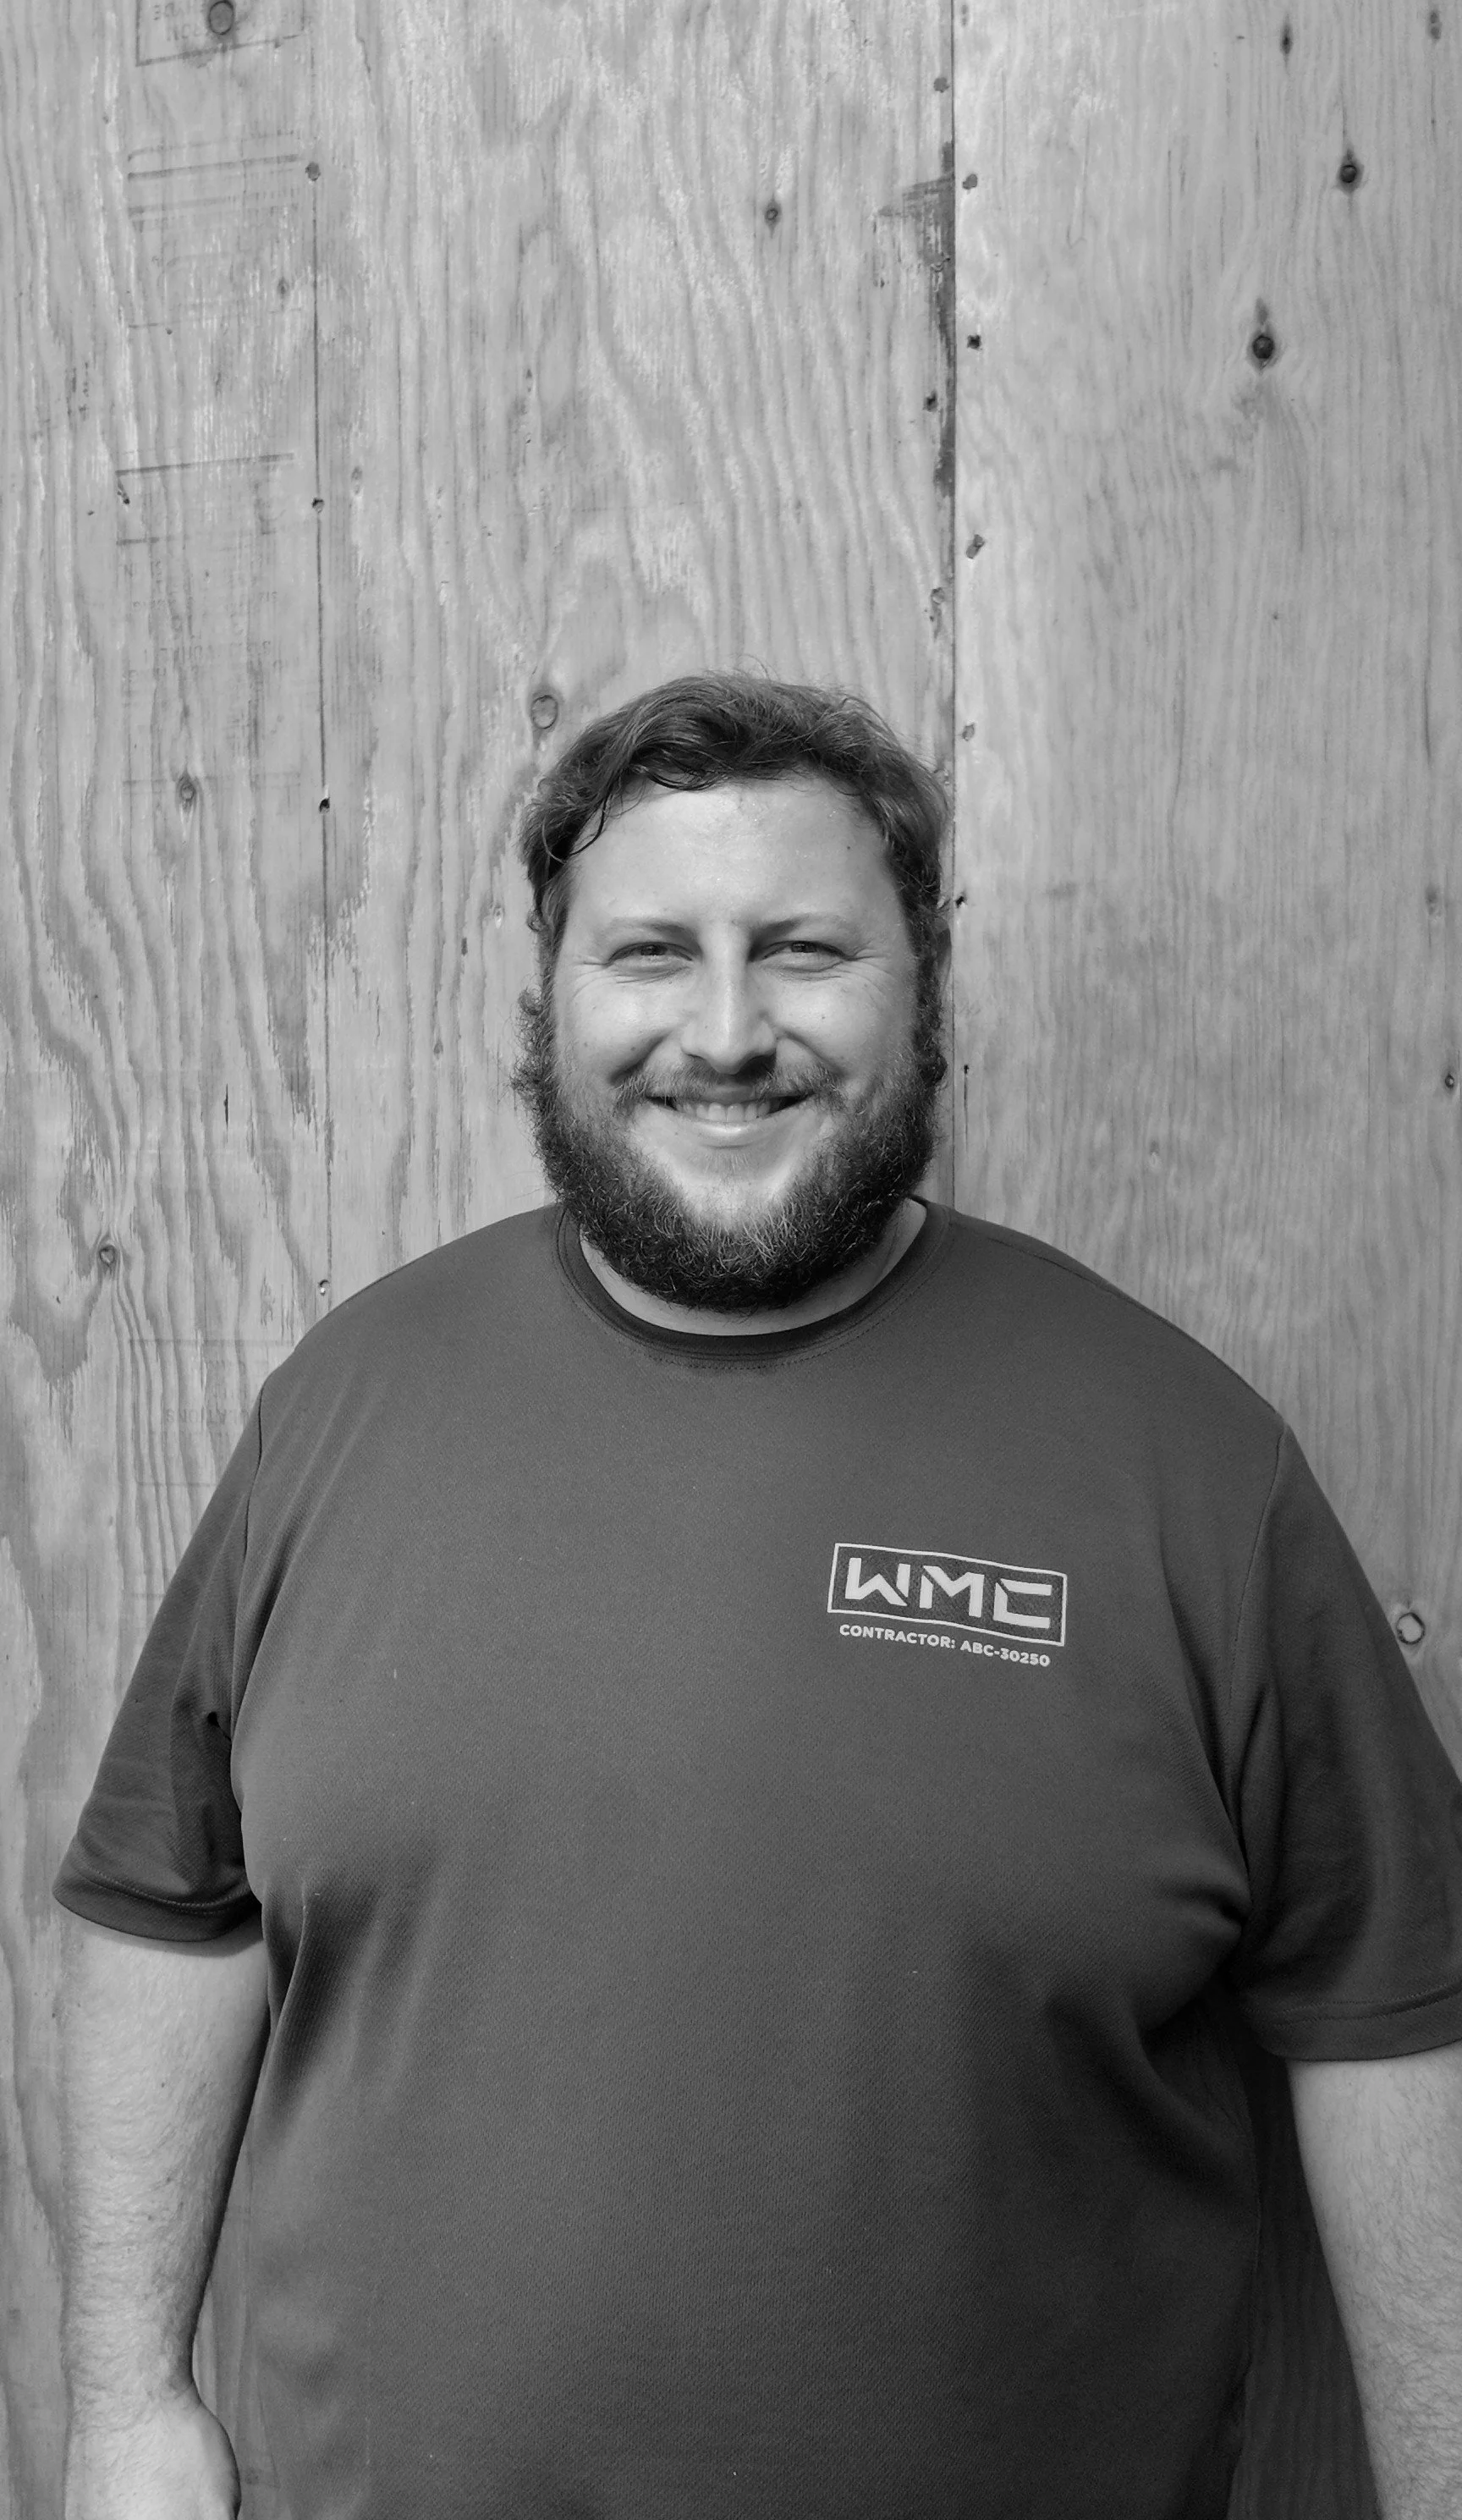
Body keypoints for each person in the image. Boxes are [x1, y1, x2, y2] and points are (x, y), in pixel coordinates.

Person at [56, 673, 1462, 2520]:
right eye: (651, 953)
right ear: (552, 992)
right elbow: (173, 1901)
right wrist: (127, 2404)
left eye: (802, 950)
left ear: (922, 985)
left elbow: (1396, 2017)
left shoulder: (1188, 1467)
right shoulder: (343, 1408)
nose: (724, 1034)